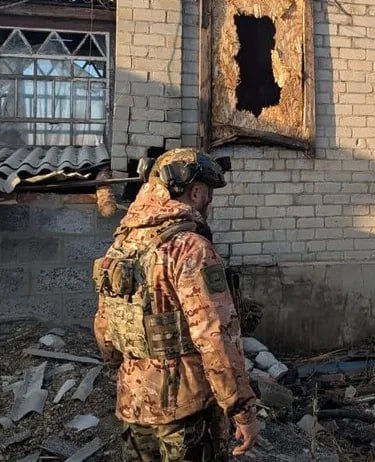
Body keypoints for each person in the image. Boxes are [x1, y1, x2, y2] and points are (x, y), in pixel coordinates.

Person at [92, 148, 260, 461]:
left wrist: (128, 367)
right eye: (208, 193)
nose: (209, 202)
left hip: (133, 405)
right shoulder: (190, 248)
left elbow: (105, 329)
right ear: (195, 192)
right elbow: (215, 335)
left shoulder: (120, 246)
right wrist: (241, 410)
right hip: (186, 412)